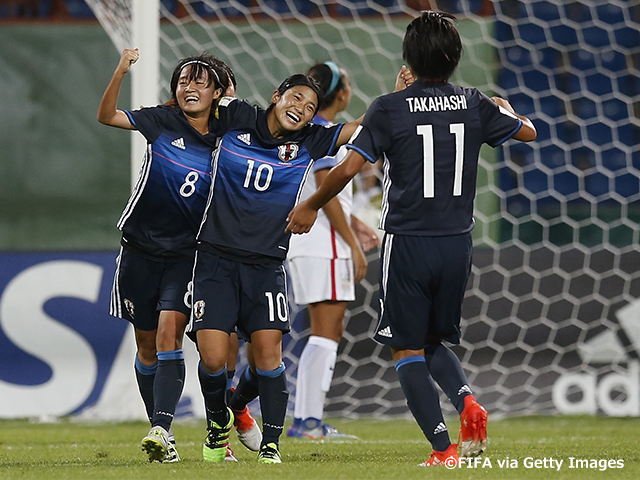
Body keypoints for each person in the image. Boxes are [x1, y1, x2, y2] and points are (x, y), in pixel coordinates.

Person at [286, 11, 537, 467]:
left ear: (407, 57)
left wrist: (310, 205)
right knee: (434, 341)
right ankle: (467, 404)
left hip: (407, 241)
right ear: (456, 57)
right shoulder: (474, 101)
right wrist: (504, 107)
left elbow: (345, 170)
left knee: (406, 347)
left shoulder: (387, 106)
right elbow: (528, 131)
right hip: (458, 244)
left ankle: (443, 450)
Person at [188, 68, 411, 464]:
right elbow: (194, 105)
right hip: (215, 259)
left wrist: (394, 97)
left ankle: (270, 445)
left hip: (267, 261)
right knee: (213, 359)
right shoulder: (237, 115)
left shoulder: (313, 139)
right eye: (295, 99)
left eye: (310, 107)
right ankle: (218, 426)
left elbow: (360, 127)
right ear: (277, 95)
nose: (301, 109)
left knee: (267, 357)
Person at [97, 49, 259, 463]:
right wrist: (119, 71)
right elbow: (108, 116)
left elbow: (281, 130)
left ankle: (208, 432)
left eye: (201, 81)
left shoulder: (233, 136)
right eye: (184, 80)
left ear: (220, 93)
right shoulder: (160, 120)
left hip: (191, 256)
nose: (189, 86)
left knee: (193, 340)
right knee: (148, 347)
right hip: (138, 251)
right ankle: (162, 434)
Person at [286, 61, 380, 440]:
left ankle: (308, 419)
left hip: (314, 242)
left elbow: (322, 192)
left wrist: (355, 224)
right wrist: (353, 244)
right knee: (326, 331)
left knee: (326, 330)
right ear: (340, 93)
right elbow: (325, 187)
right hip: (322, 244)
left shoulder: (315, 130)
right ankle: (307, 421)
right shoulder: (323, 132)